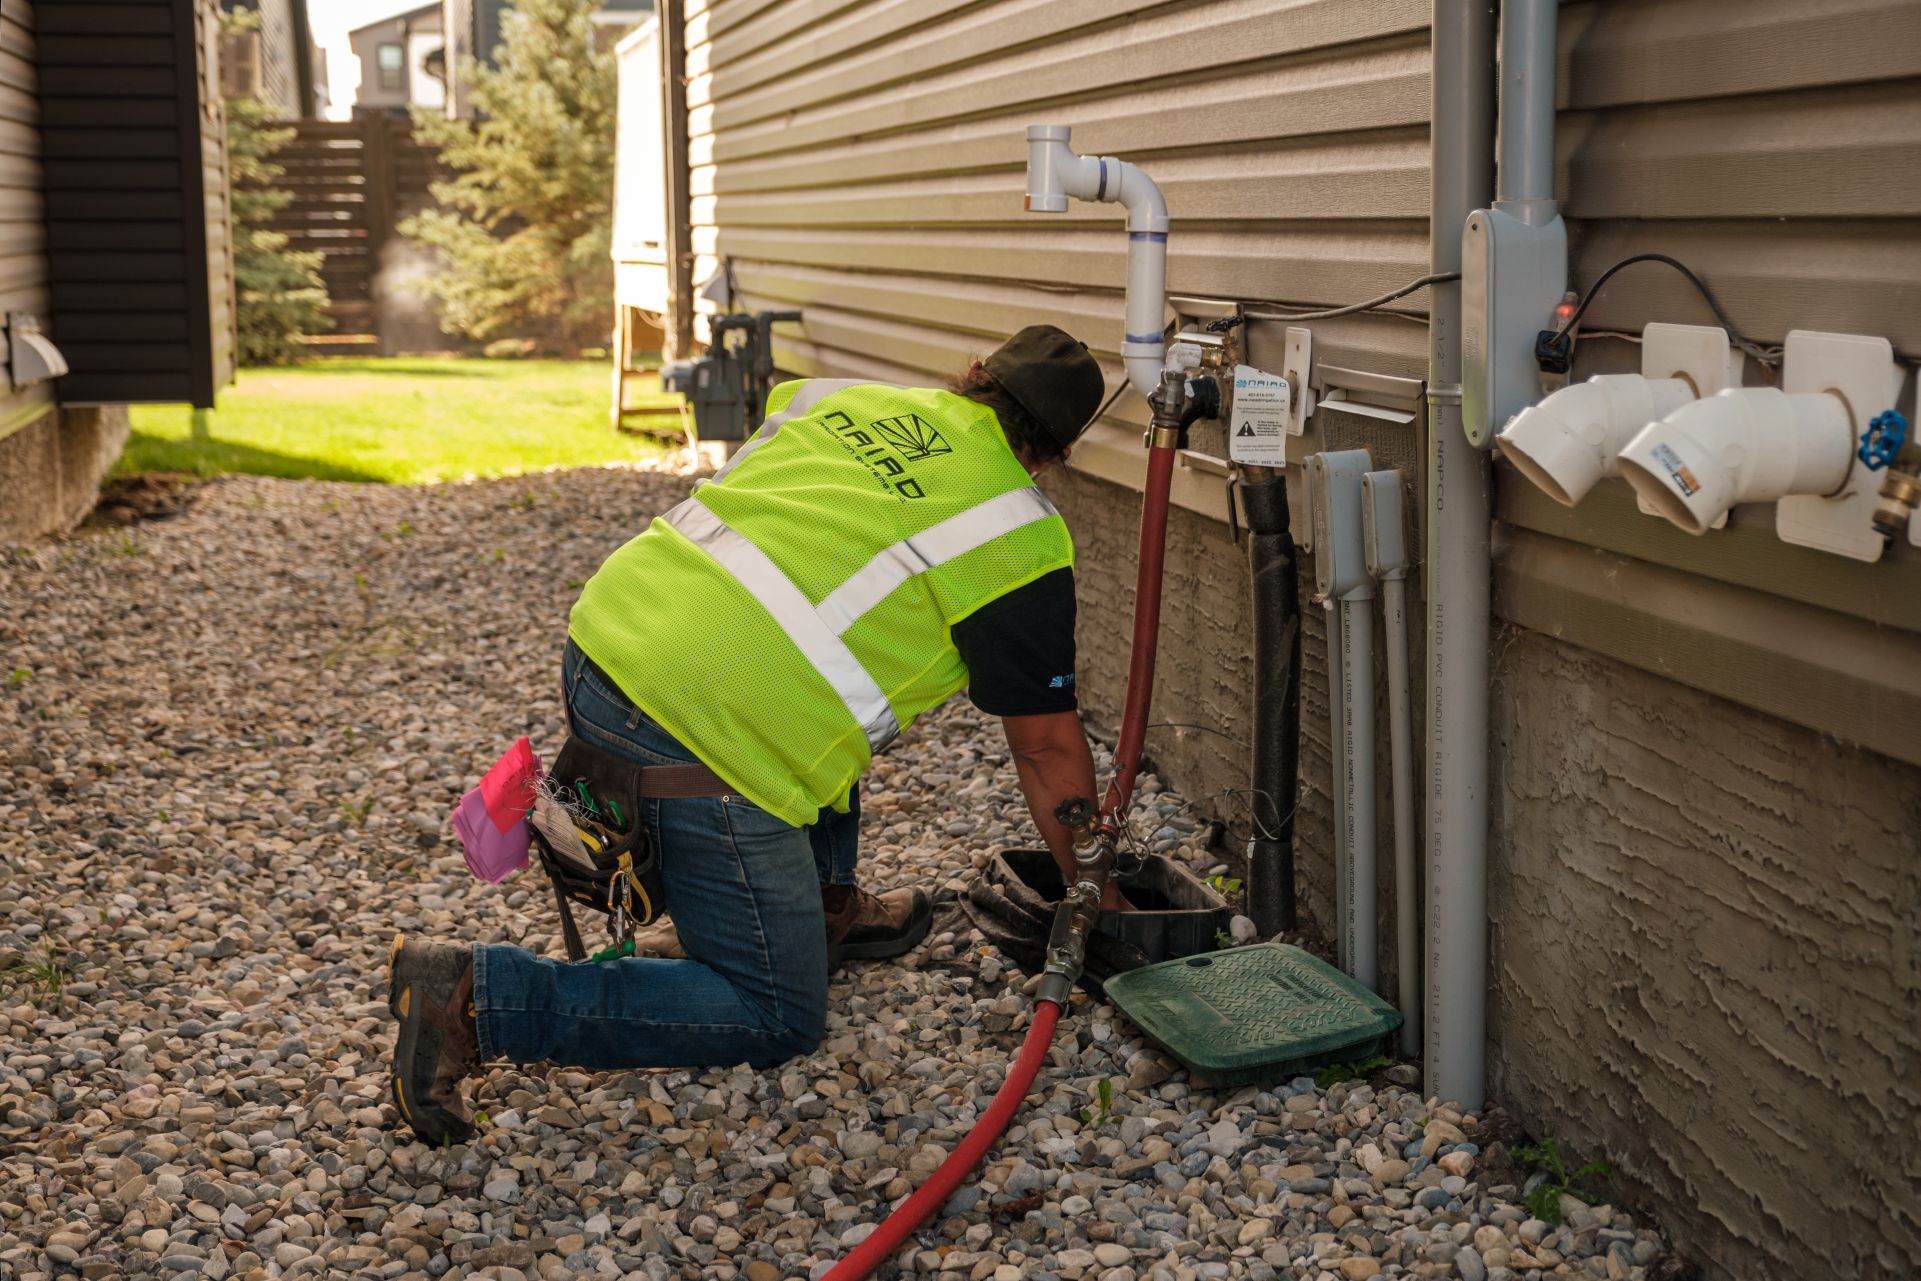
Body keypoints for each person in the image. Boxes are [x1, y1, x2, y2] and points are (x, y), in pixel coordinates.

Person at [388, 325, 1114, 1145]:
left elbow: (784, 545)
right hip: (702, 742)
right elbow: (1047, 748)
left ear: (973, 376)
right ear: (1051, 459)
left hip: (604, 643)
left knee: (826, 662)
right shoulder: (1017, 536)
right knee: (774, 1012)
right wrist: (1099, 889)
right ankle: (477, 997)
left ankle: (816, 906)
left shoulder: (839, 396)